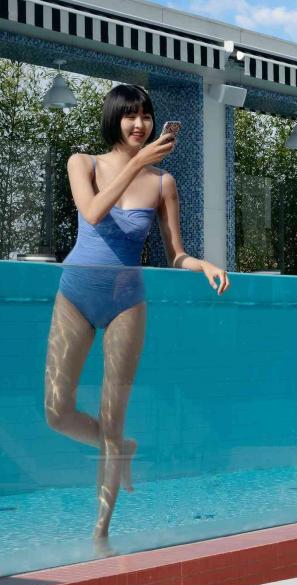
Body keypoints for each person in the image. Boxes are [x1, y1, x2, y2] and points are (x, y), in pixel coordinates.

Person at [44, 84, 230, 546]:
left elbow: (175, 254)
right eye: (130, 115)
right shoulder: (81, 162)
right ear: (115, 119)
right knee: (56, 412)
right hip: (75, 295)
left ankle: (101, 532)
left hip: (127, 301)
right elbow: (91, 213)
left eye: (146, 115)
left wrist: (202, 263)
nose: (139, 124)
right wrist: (137, 163)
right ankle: (118, 448)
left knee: (114, 416)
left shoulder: (163, 182)